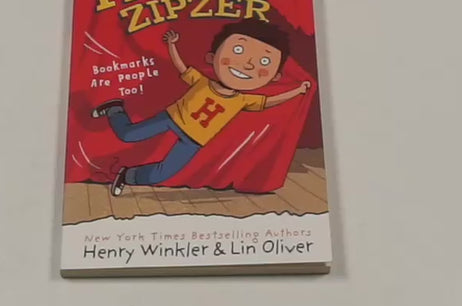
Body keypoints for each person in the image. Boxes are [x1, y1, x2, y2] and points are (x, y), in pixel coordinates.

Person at [93, 19, 312, 195]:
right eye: (238, 49)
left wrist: (298, 90)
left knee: (162, 174)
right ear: (212, 57)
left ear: (274, 77)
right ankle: (115, 109)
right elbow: (181, 66)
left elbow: (271, 101)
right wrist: (172, 45)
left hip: (194, 140)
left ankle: (127, 176)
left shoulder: (244, 100)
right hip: (172, 118)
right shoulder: (202, 82)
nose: (247, 64)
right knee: (127, 135)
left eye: (264, 62)